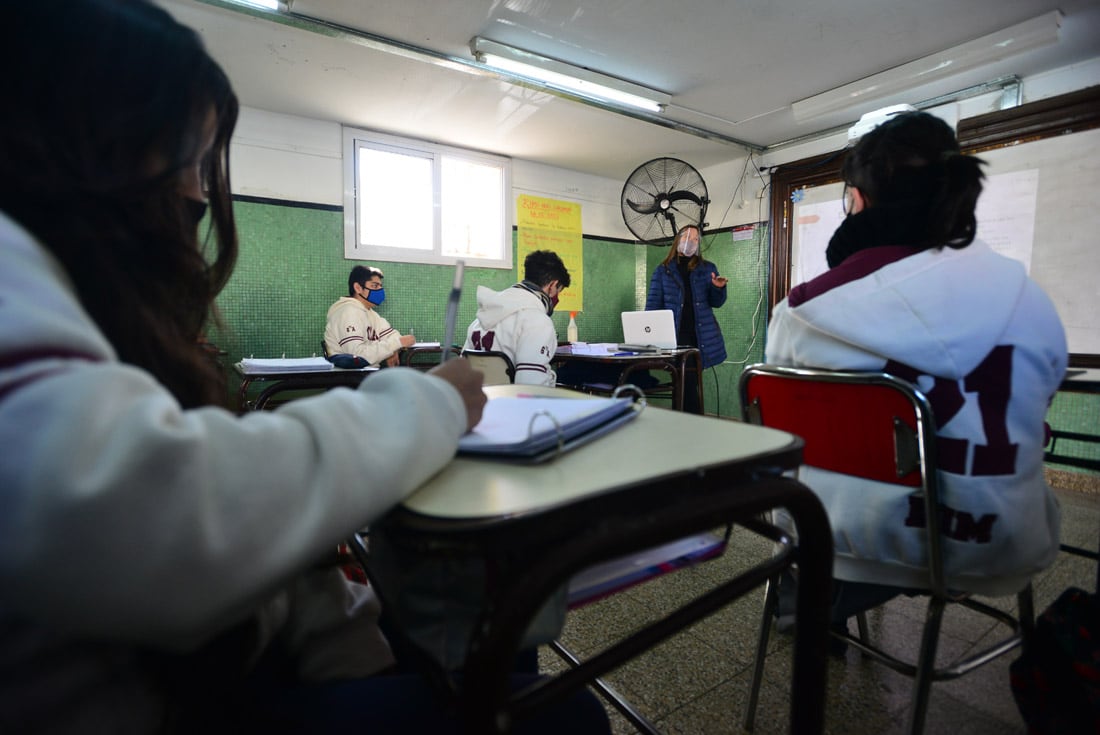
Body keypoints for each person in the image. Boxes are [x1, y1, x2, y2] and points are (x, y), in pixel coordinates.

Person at [0, 2, 609, 733]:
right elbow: (159, 515)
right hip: (185, 690)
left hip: (227, 650)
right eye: (185, 159)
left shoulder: (70, 302)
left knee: (501, 648)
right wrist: (424, 401)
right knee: (566, 714)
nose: (197, 191)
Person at [765, 111, 1066, 630]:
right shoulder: (1030, 301)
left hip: (845, 536)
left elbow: (790, 430)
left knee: (807, 526)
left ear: (857, 200)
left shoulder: (801, 311)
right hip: (1004, 540)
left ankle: (807, 620)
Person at [644, 224, 728, 414]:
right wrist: (648, 336)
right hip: (673, 338)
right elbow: (652, 307)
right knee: (683, 383)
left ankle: (688, 422)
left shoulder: (708, 269)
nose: (690, 242)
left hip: (700, 338)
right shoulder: (663, 270)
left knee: (688, 382)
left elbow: (717, 302)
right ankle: (690, 421)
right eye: (686, 237)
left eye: (695, 239)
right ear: (677, 240)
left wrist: (718, 288)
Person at [464, 250, 570, 386]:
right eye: (557, 292)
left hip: (480, 402)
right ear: (552, 285)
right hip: (513, 403)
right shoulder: (538, 321)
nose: (556, 298)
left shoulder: (479, 319)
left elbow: (463, 369)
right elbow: (531, 386)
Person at [325, 265, 416, 367]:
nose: (380, 290)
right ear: (358, 288)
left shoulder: (370, 313)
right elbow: (357, 356)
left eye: (380, 286)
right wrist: (395, 345)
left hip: (369, 372)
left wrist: (392, 350)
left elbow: (393, 335)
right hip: (351, 376)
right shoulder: (347, 312)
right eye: (375, 286)